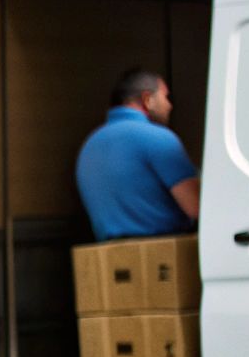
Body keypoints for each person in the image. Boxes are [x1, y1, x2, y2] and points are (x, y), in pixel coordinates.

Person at [75, 68, 201, 241]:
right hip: (165, 253)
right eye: (165, 97)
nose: (170, 105)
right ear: (147, 99)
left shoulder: (90, 145)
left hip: (110, 255)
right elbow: (196, 206)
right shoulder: (159, 138)